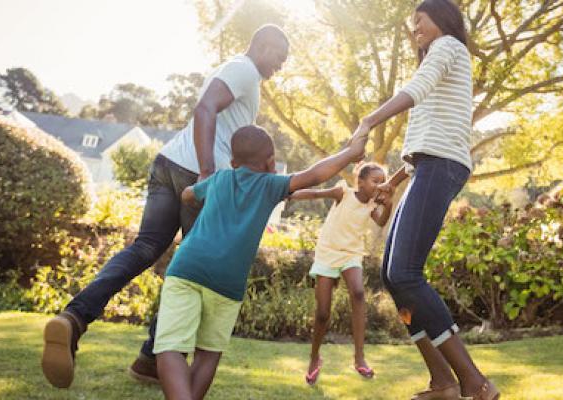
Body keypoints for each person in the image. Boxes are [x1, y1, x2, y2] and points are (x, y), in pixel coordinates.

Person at [41, 25, 289, 388]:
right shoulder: (245, 70)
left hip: (168, 163)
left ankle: (79, 321)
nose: (280, 65)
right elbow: (205, 109)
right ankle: (154, 357)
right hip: (196, 174)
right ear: (263, 45)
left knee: (146, 248)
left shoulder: (234, 69)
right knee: (190, 271)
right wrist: (206, 173)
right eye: (279, 56)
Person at [351, 1, 500, 399]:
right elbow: (426, 136)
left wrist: (368, 121)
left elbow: (414, 94)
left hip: (442, 167)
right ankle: (442, 382)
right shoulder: (439, 55)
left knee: (405, 273)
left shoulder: (448, 46)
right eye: (412, 22)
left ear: (444, 20)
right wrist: (395, 180)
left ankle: (475, 382)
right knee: (392, 275)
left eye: (421, 20)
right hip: (429, 166)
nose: (414, 27)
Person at [154, 125, 367, 400]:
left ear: (233, 162)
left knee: (170, 349)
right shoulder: (271, 185)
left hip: (188, 269)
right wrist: (350, 152)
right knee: (208, 354)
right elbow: (314, 174)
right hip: (227, 283)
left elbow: (187, 194)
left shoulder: (220, 179)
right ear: (270, 163)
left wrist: (193, 194)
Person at [288, 163, 392, 385]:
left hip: (351, 254)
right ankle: (315, 357)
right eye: (375, 180)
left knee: (358, 293)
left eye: (382, 181)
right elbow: (315, 193)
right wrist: (289, 194)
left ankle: (359, 357)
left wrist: (389, 204)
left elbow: (381, 221)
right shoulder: (342, 192)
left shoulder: (374, 204)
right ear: (360, 182)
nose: (379, 185)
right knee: (323, 313)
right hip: (327, 253)